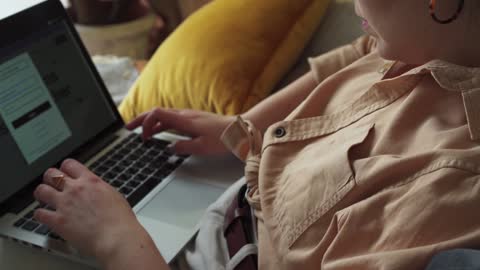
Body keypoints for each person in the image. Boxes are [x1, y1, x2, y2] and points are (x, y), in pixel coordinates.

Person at [33, 0, 480, 269]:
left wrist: (115, 241)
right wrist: (244, 128)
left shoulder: (449, 182)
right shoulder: (424, 44)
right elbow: (357, 54)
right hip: (222, 200)